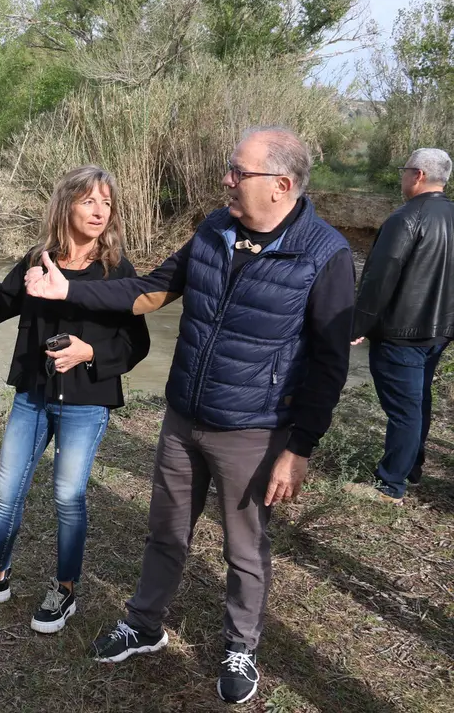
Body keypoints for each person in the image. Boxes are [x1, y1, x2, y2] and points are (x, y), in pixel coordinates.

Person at [24, 128, 355, 704]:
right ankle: (144, 623)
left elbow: (329, 362)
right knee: (166, 530)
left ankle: (240, 648)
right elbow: (151, 292)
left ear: (279, 186)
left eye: (237, 172)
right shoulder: (215, 227)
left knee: (244, 548)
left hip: (253, 428)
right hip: (183, 416)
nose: (226, 179)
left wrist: (299, 447)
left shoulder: (325, 254)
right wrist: (67, 293)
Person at [0, 164, 150, 635]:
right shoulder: (37, 259)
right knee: (6, 492)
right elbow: (2, 304)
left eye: (106, 202)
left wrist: (90, 353)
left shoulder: (117, 272)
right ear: (66, 205)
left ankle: (64, 590)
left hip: (86, 402)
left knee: (68, 496)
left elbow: (135, 344)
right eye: (89, 201)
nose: (100, 211)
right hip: (33, 396)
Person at [349, 147, 454, 504]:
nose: (402, 176)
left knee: (405, 411)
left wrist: (358, 325)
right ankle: (412, 469)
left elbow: (380, 278)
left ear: (419, 176)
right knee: (418, 400)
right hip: (439, 331)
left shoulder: (406, 218)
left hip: (401, 332)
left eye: (404, 170)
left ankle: (390, 485)